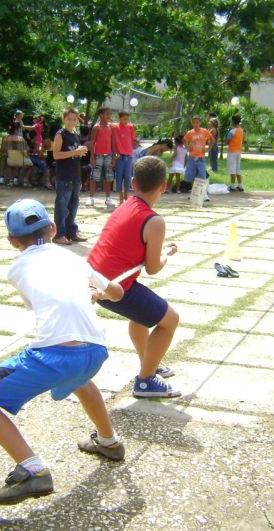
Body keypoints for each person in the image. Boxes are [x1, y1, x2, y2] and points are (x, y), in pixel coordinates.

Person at [0, 199, 125, 504]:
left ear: (12, 241)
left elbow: (43, 302)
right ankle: (109, 441)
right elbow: (117, 293)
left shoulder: (16, 270)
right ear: (52, 228)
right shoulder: (75, 260)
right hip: (95, 352)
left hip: (56, 355)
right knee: (81, 381)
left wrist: (83, 294)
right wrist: (100, 292)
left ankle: (32, 470)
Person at [88, 156, 181, 398]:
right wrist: (167, 255)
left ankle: (150, 361)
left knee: (142, 316)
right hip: (112, 287)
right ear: (163, 185)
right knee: (170, 320)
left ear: (132, 182)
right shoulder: (154, 220)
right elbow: (153, 268)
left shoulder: (125, 205)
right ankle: (146, 380)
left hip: (94, 279)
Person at [52, 107, 89, 245]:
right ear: (64, 119)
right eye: (69, 119)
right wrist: (74, 152)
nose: (72, 122)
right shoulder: (60, 135)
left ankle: (71, 231)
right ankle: (58, 234)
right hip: (64, 176)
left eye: (74, 119)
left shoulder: (75, 134)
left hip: (74, 176)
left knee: (73, 205)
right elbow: (56, 155)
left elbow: (76, 157)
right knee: (62, 205)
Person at [86, 107, 116, 208]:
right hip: (98, 155)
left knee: (108, 177)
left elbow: (112, 142)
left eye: (110, 114)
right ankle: (91, 197)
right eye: (107, 114)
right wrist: (92, 157)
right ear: (101, 115)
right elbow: (92, 142)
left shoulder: (111, 127)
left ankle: (108, 198)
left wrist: (114, 156)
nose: (109, 116)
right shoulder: (96, 127)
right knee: (94, 176)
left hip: (108, 155)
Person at [183, 115, 213, 200]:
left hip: (201, 158)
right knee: (192, 176)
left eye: (197, 122)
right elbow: (184, 140)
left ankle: (204, 194)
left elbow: (212, 139)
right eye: (194, 122)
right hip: (192, 157)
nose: (196, 124)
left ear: (200, 123)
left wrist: (208, 148)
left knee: (202, 175)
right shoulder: (190, 133)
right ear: (192, 123)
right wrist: (187, 147)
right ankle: (194, 193)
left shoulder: (204, 131)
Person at [113, 110, 137, 205]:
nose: (126, 121)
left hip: (128, 155)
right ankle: (120, 197)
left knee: (127, 176)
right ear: (119, 119)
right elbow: (114, 141)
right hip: (119, 155)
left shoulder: (130, 127)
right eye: (124, 119)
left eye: (127, 119)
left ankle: (126, 195)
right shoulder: (115, 127)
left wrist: (136, 142)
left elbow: (133, 139)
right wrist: (115, 154)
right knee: (119, 177)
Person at [226, 114, 245, 192]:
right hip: (238, 151)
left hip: (232, 152)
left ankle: (233, 186)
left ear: (233, 121)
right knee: (238, 169)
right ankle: (240, 185)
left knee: (232, 169)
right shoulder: (241, 130)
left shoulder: (232, 131)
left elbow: (227, 141)